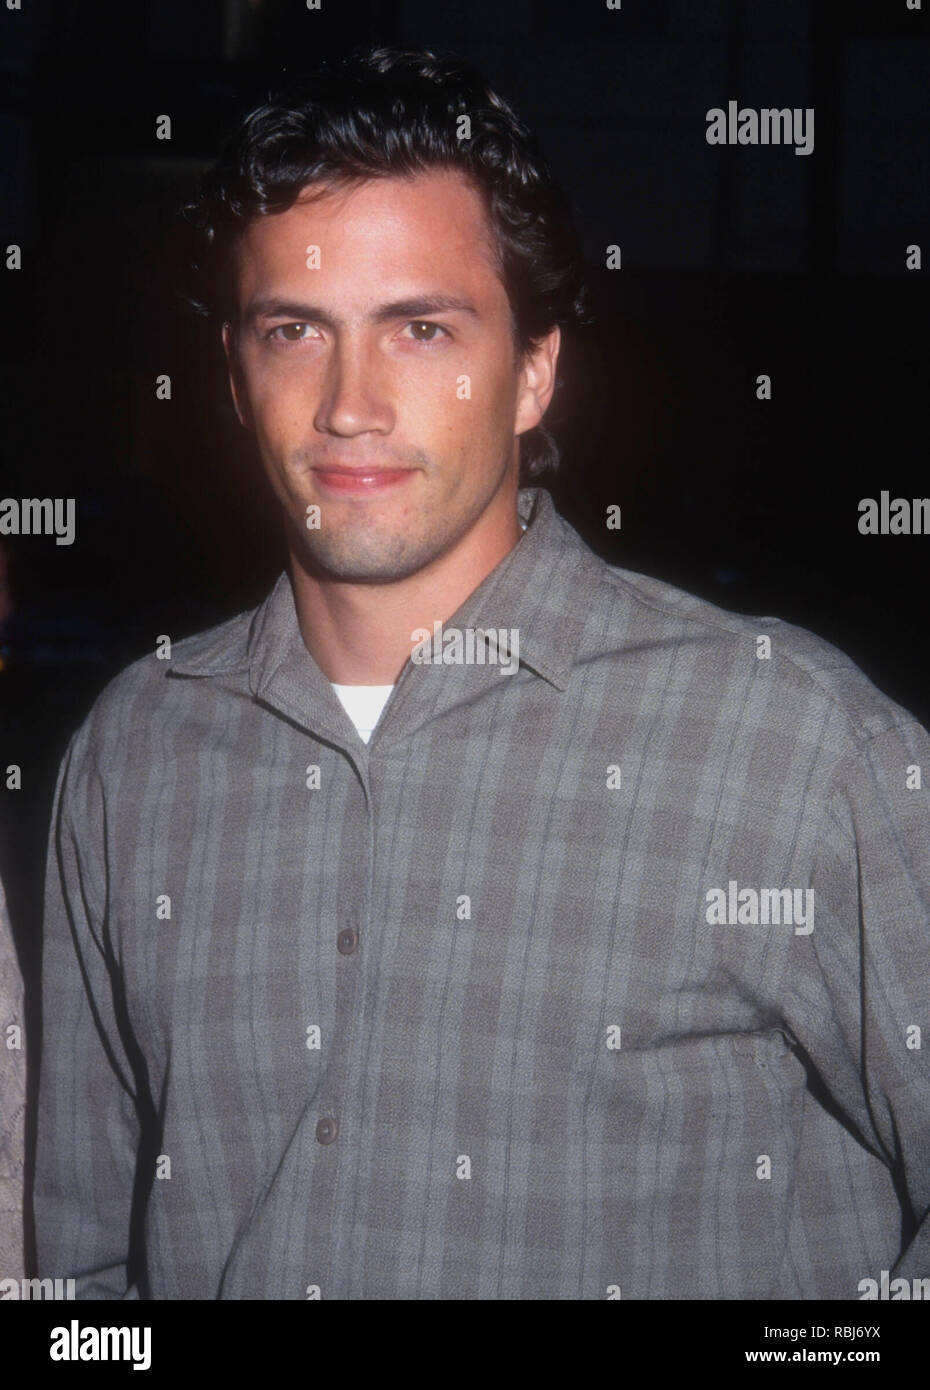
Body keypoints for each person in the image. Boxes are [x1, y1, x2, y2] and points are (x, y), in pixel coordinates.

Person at [34, 44, 930, 1300]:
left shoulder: (794, 749)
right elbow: (84, 1288)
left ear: (534, 370)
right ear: (235, 375)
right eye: (295, 330)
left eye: (422, 329)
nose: (350, 404)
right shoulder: (130, 756)